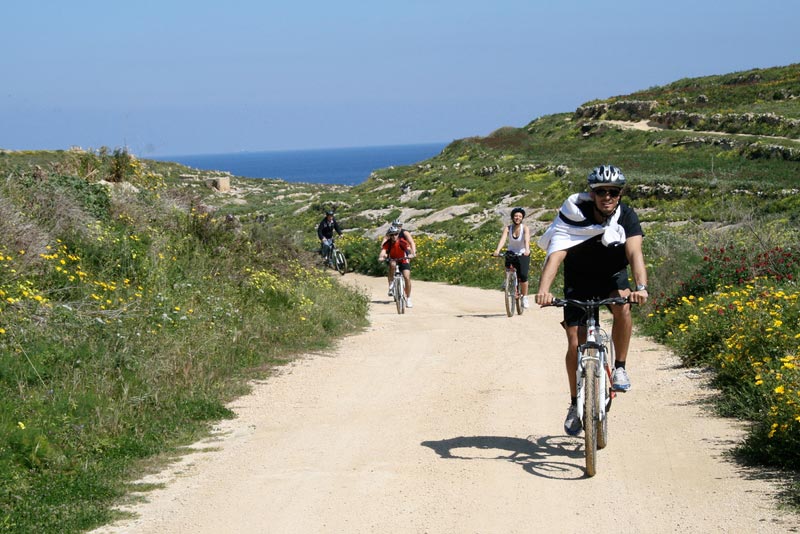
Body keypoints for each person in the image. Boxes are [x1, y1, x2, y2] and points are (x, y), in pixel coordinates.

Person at [534, 165, 649, 436]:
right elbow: (556, 253)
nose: (606, 197)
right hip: (579, 281)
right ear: (592, 193)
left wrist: (641, 287)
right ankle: (575, 405)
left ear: (620, 194)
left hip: (612, 277)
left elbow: (635, 253)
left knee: (624, 308)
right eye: (601, 192)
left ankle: (620, 368)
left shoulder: (627, 216)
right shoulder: (573, 214)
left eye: (613, 192)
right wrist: (544, 290)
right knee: (575, 342)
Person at [492, 207, 532, 308]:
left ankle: (525, 297)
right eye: (515, 216)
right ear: (512, 217)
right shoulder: (508, 228)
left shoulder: (525, 228)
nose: (517, 218)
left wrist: (527, 250)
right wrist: (497, 250)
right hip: (511, 252)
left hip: (523, 253)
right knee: (508, 268)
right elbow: (503, 240)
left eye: (519, 216)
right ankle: (508, 281)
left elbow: (527, 240)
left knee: (523, 275)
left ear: (522, 218)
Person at [378, 225, 414, 307]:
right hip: (393, 259)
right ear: (389, 236)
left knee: (407, 277)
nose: (394, 236)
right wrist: (381, 257)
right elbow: (383, 251)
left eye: (396, 234)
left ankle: (408, 298)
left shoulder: (402, 242)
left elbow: (408, 249)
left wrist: (411, 254)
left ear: (398, 234)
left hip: (403, 260)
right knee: (392, 264)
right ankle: (391, 284)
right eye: (392, 235)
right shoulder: (388, 243)